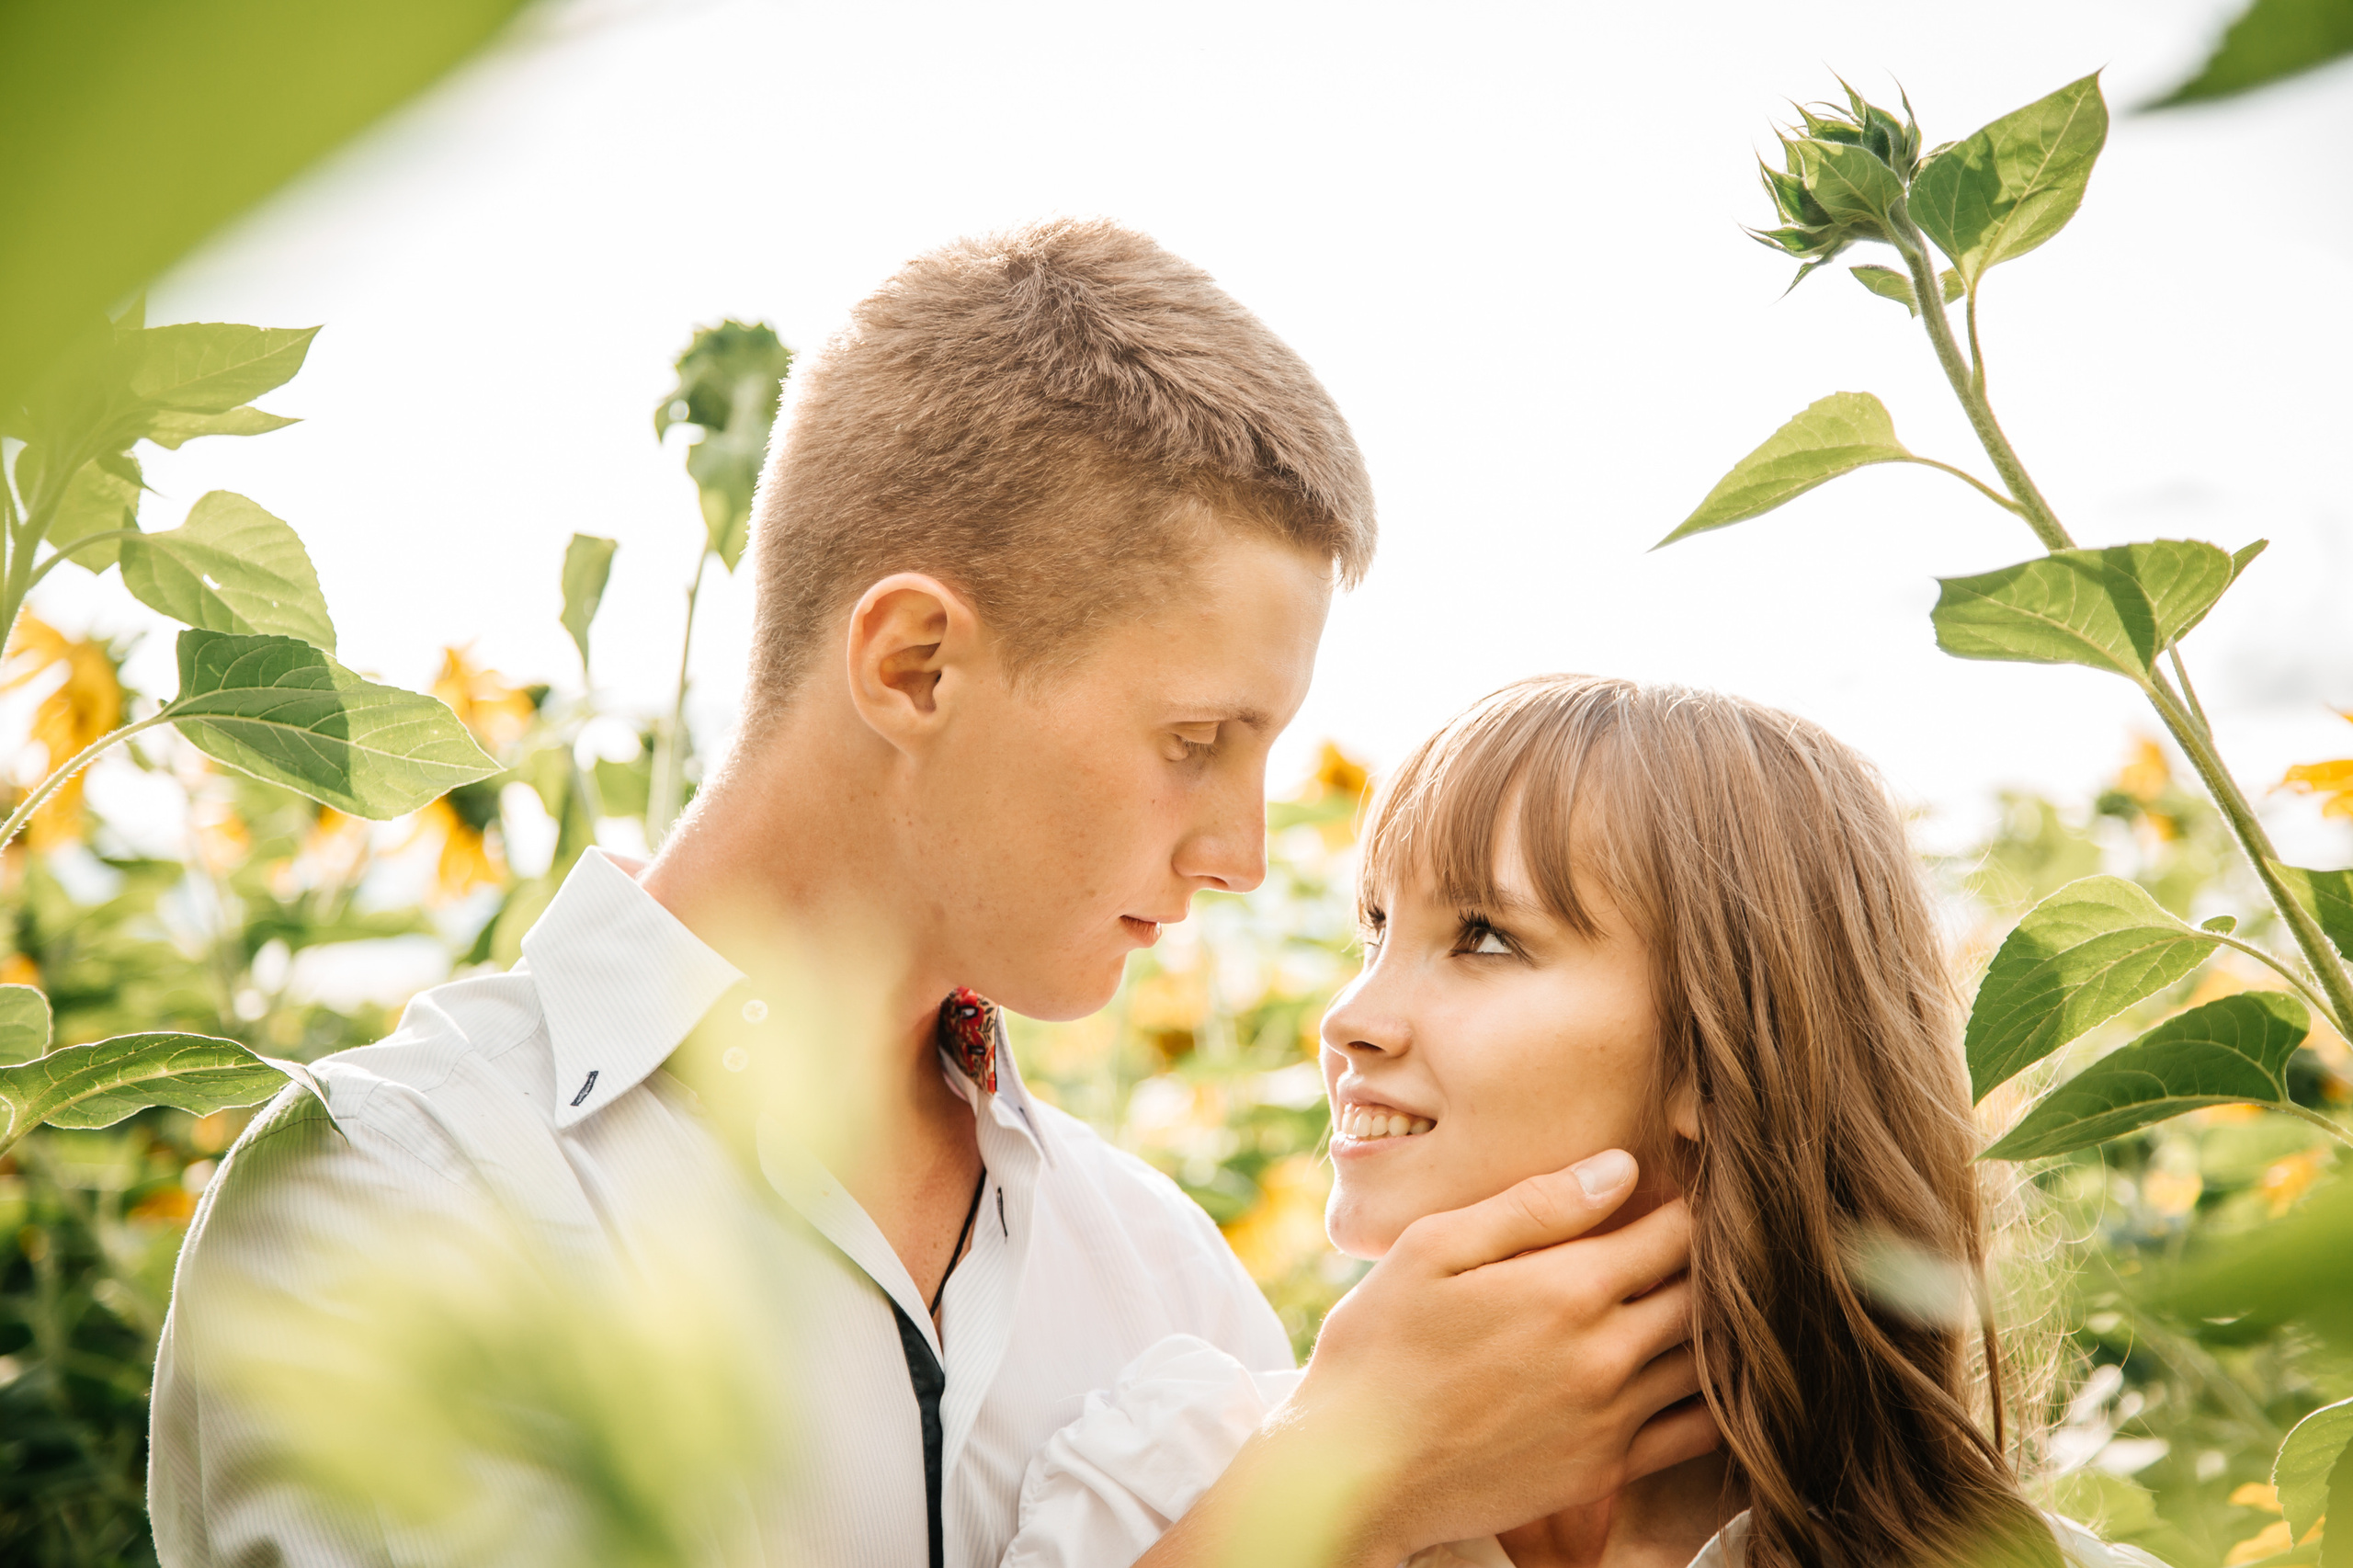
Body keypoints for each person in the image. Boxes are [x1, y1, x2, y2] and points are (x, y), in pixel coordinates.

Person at [148, 224, 1713, 1566]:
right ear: (915, 664)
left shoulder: (1164, 1280)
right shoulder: (403, 1192)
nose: (1241, 848)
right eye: (1194, 742)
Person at [1008, 675, 2168, 1568]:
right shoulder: (1165, 1474)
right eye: (1375, 930)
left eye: (1484, 936)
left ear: (1722, 1053)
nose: (1348, 1018)